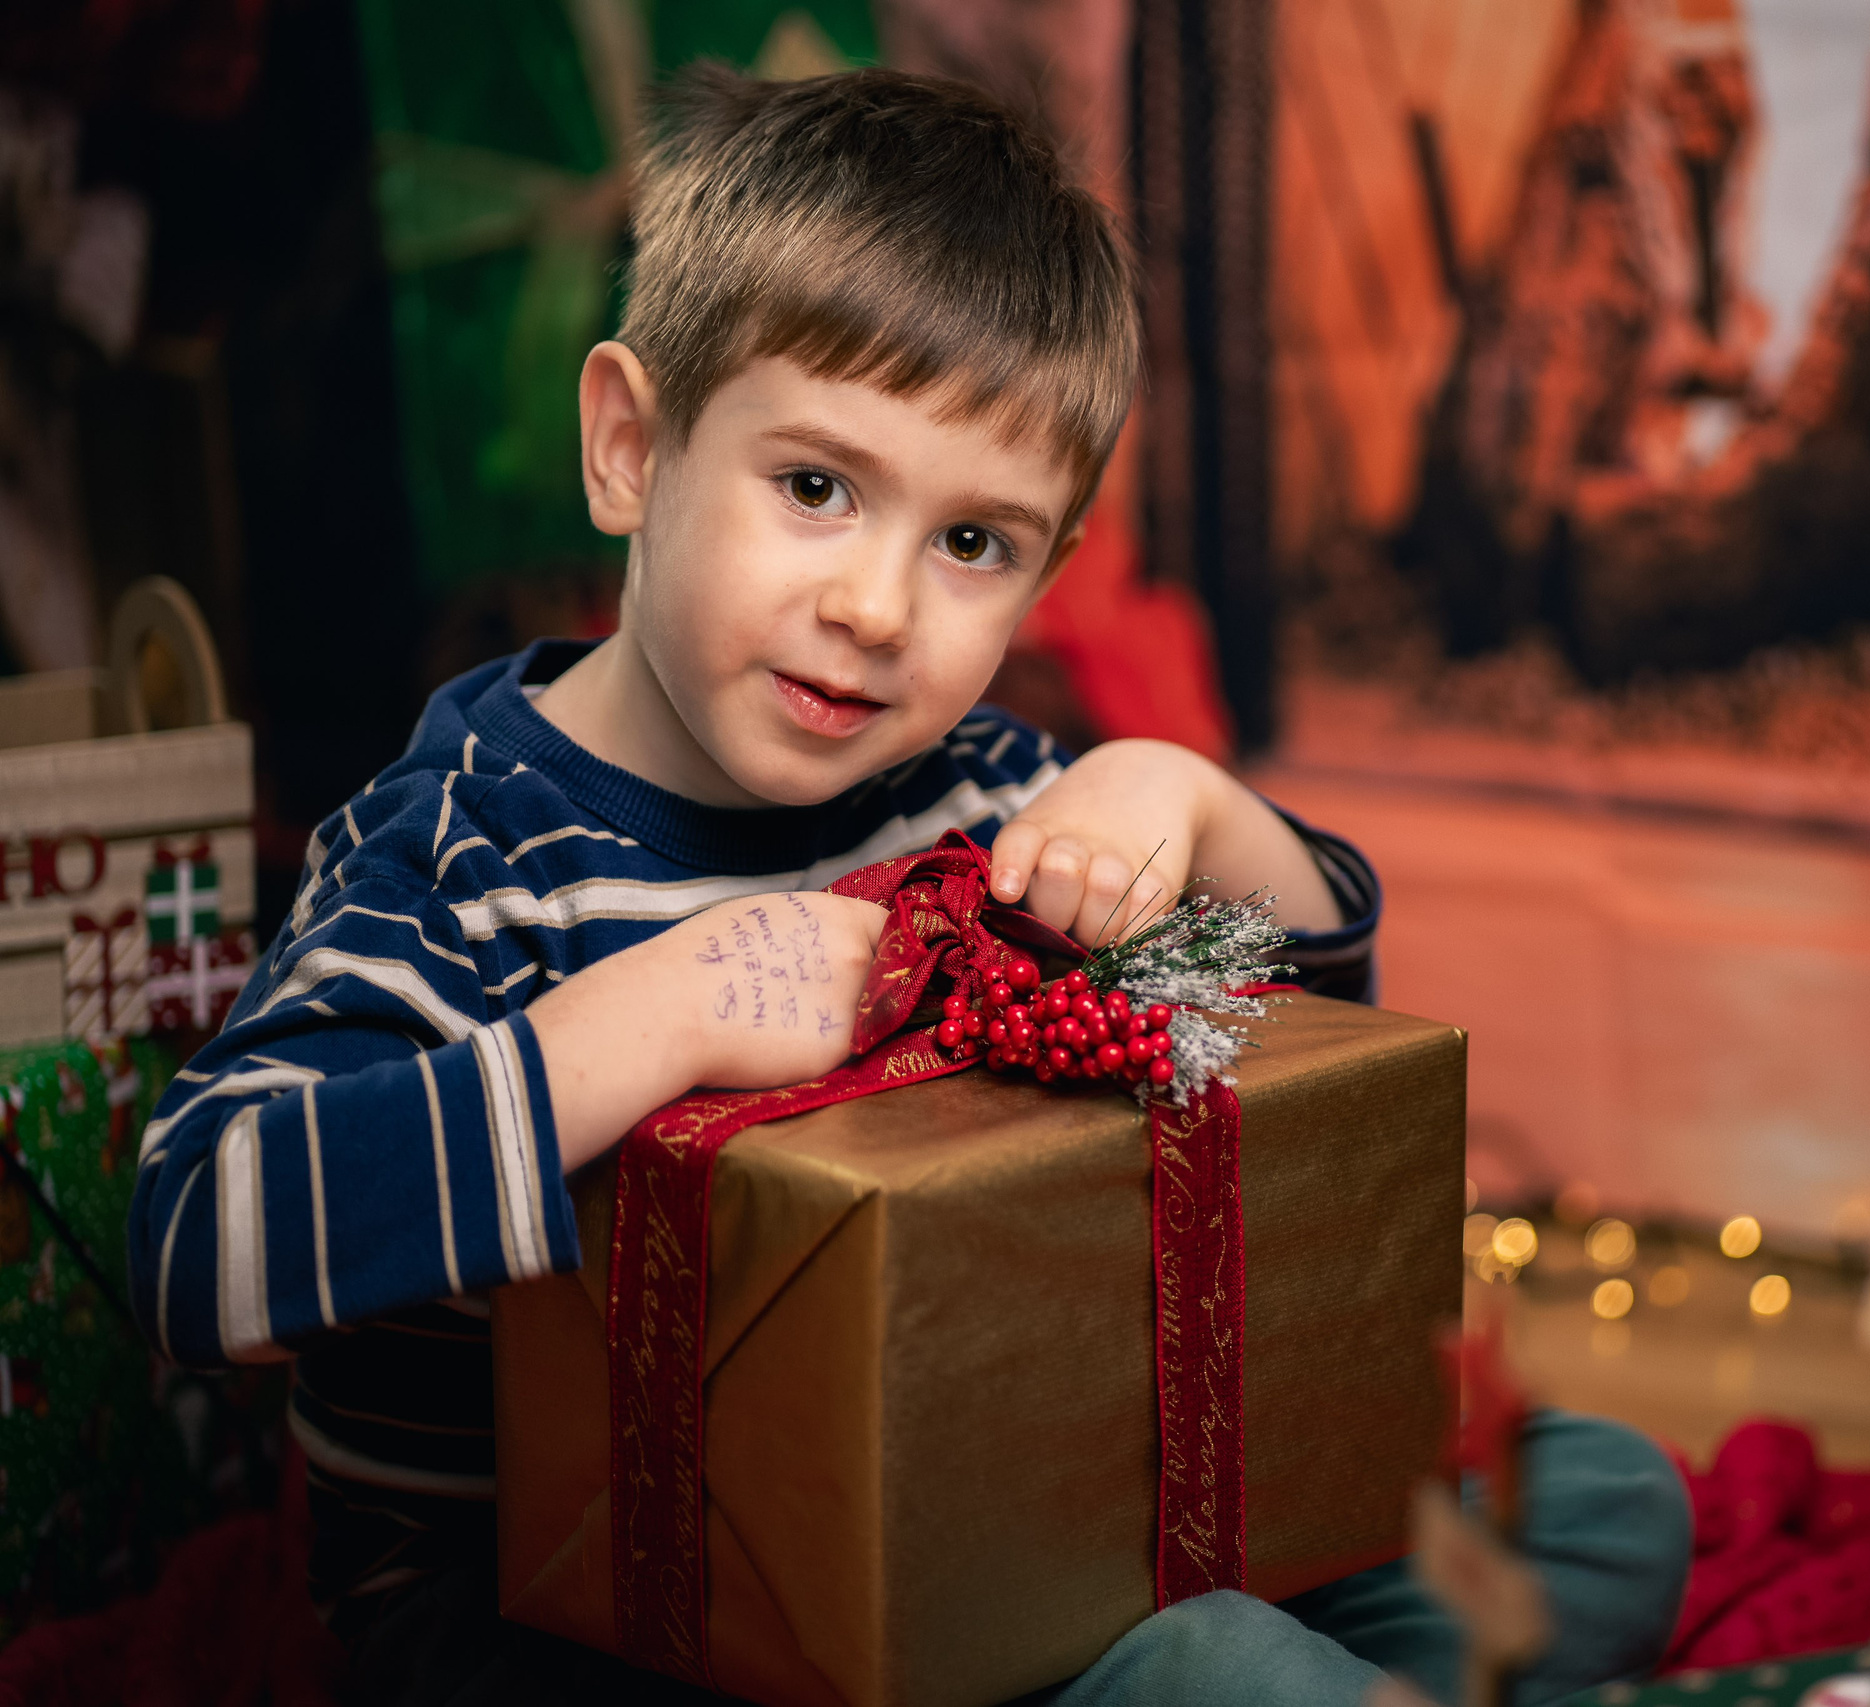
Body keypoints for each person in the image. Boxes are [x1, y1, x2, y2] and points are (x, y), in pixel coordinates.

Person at [128, 66, 1690, 1705]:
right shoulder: (463, 854)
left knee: (1596, 1504)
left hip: (995, 1502)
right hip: (589, 1630)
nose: (878, 605)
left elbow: (1288, 1070)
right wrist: (646, 1021)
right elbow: (192, 1238)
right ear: (630, 450)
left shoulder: (981, 791)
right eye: (815, 488)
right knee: (1221, 1669)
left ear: (1049, 566)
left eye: (973, 545)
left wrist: (1194, 806)